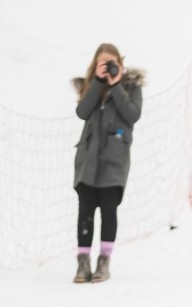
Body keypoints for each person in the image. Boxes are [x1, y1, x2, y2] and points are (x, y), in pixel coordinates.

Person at [71, 43, 144, 283]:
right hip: (88, 159)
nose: (109, 67)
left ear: (120, 64)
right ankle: (83, 264)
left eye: (113, 63)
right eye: (104, 63)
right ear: (96, 64)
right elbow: (82, 112)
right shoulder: (90, 86)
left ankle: (104, 263)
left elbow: (132, 115)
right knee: (85, 211)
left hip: (115, 159)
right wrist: (100, 83)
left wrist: (116, 85)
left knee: (109, 210)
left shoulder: (131, 87)